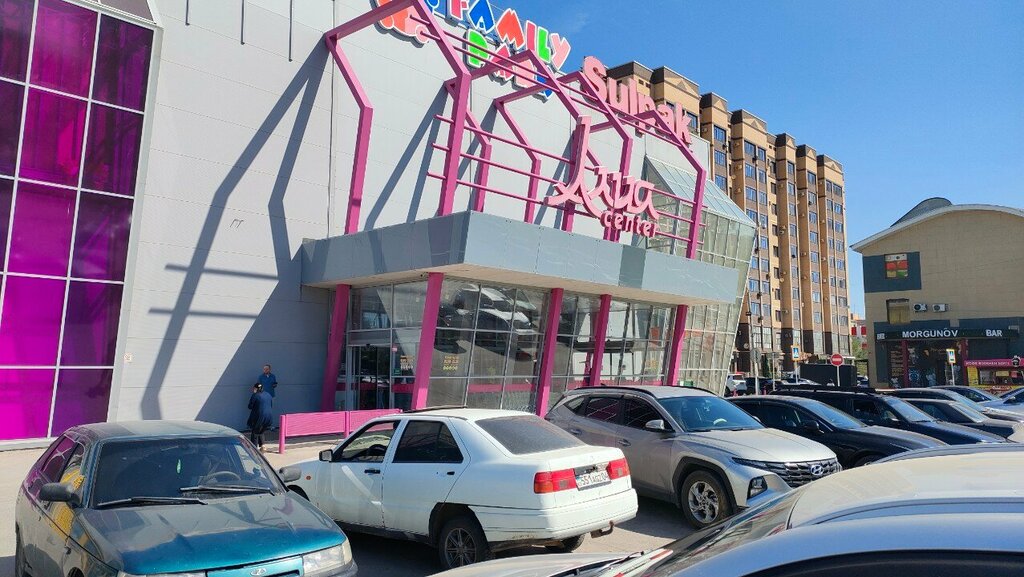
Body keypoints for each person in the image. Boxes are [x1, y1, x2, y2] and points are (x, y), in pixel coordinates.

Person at [247, 383, 273, 451]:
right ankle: (263, 446)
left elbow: (250, 406)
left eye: (254, 388)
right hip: (269, 417)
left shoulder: (255, 395)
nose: (253, 389)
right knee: (261, 431)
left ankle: (254, 449)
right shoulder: (268, 394)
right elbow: (270, 405)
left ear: (256, 389)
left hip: (260, 417)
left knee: (255, 433)